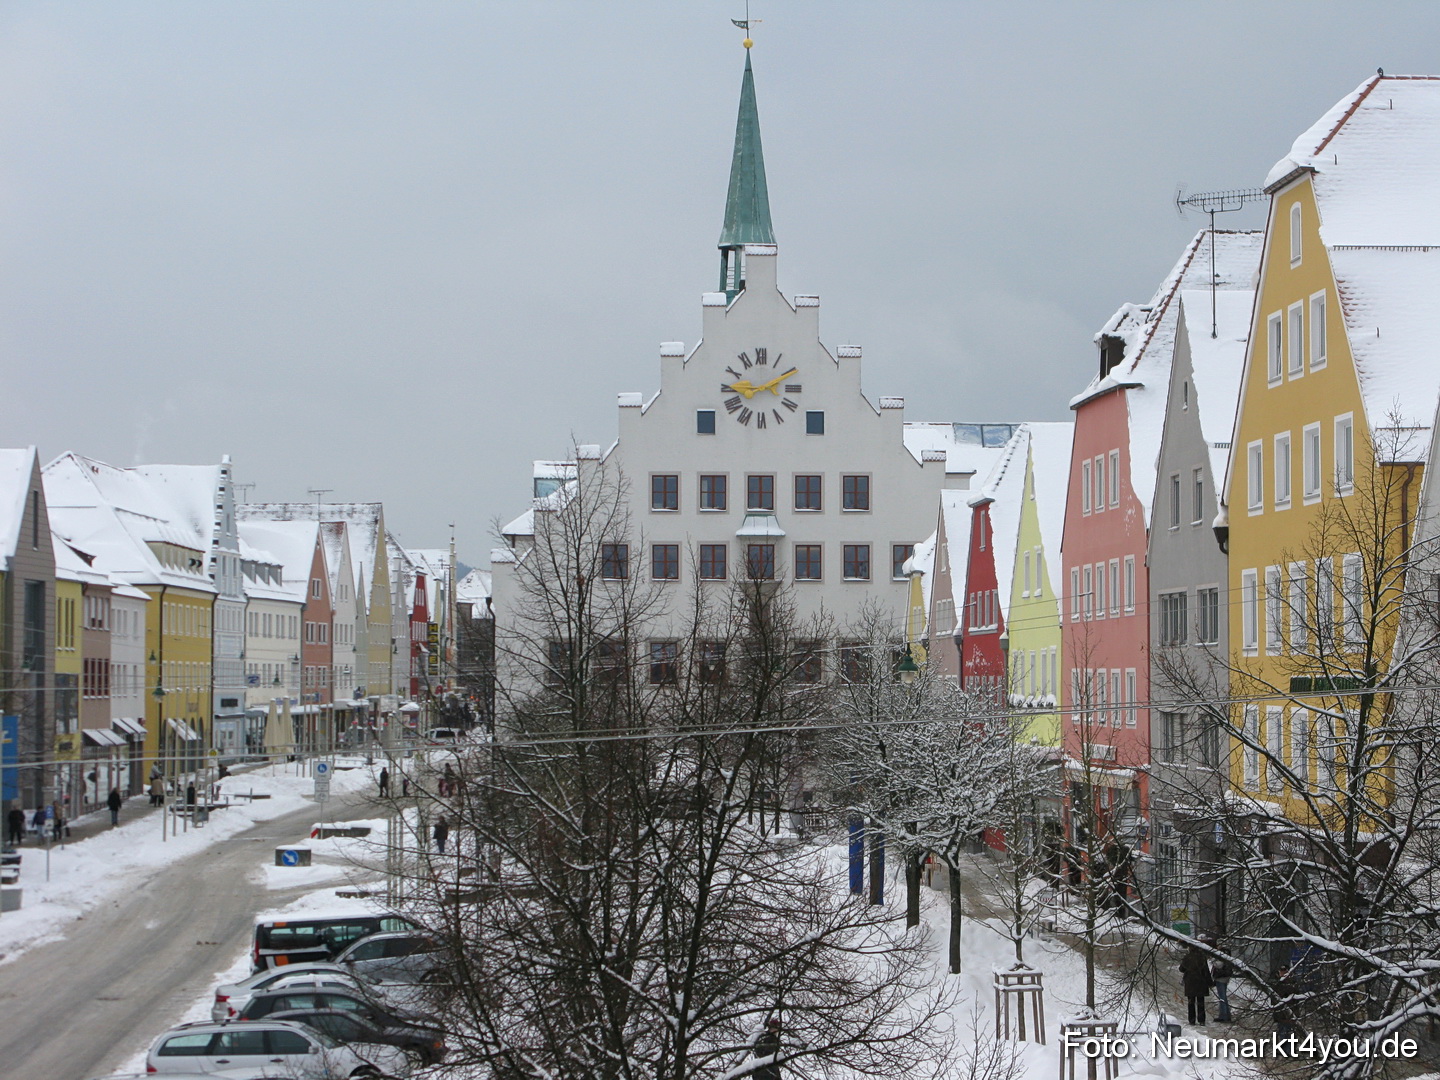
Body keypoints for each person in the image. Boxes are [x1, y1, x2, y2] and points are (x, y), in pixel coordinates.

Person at [1180, 943, 1214, 1026]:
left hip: (1190, 982)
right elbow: (1206, 971)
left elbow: (1181, 969)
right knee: (1200, 1002)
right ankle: (1201, 1020)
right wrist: (1210, 982)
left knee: (1191, 1002)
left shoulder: (1187, 957)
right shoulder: (1202, 958)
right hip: (1201, 982)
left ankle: (1192, 1020)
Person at [1210, 949, 1234, 1022]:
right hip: (1225, 977)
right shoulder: (1228, 955)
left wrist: (1213, 960)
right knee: (1224, 997)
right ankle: (1226, 1015)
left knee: (1222, 997)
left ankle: (1224, 1016)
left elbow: (1218, 965)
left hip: (1220, 978)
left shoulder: (1222, 955)